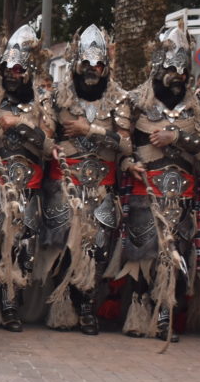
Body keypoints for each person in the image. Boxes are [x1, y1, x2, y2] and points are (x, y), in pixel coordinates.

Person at [119, 21, 200, 342]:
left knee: (173, 255)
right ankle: (137, 312)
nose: (178, 77)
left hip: (182, 194)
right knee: (143, 254)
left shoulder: (197, 107)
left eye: (183, 71)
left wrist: (178, 136)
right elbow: (121, 141)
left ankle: (164, 316)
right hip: (144, 191)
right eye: (171, 70)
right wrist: (128, 161)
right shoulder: (135, 101)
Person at [39, 25, 131, 335]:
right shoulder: (58, 97)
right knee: (63, 246)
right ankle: (63, 303)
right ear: (76, 64)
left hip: (102, 188)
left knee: (98, 249)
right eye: (87, 64)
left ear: (107, 66)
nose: (92, 70)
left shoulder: (119, 99)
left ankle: (88, 306)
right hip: (64, 184)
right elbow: (46, 137)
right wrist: (48, 145)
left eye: (98, 64)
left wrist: (91, 130)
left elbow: (128, 144)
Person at [0, 24, 53, 332]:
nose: (12, 74)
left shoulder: (43, 102)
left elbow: (48, 144)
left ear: (29, 71)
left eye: (18, 69)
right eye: (8, 69)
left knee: (22, 248)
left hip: (29, 186)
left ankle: (10, 305)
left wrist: (17, 123)